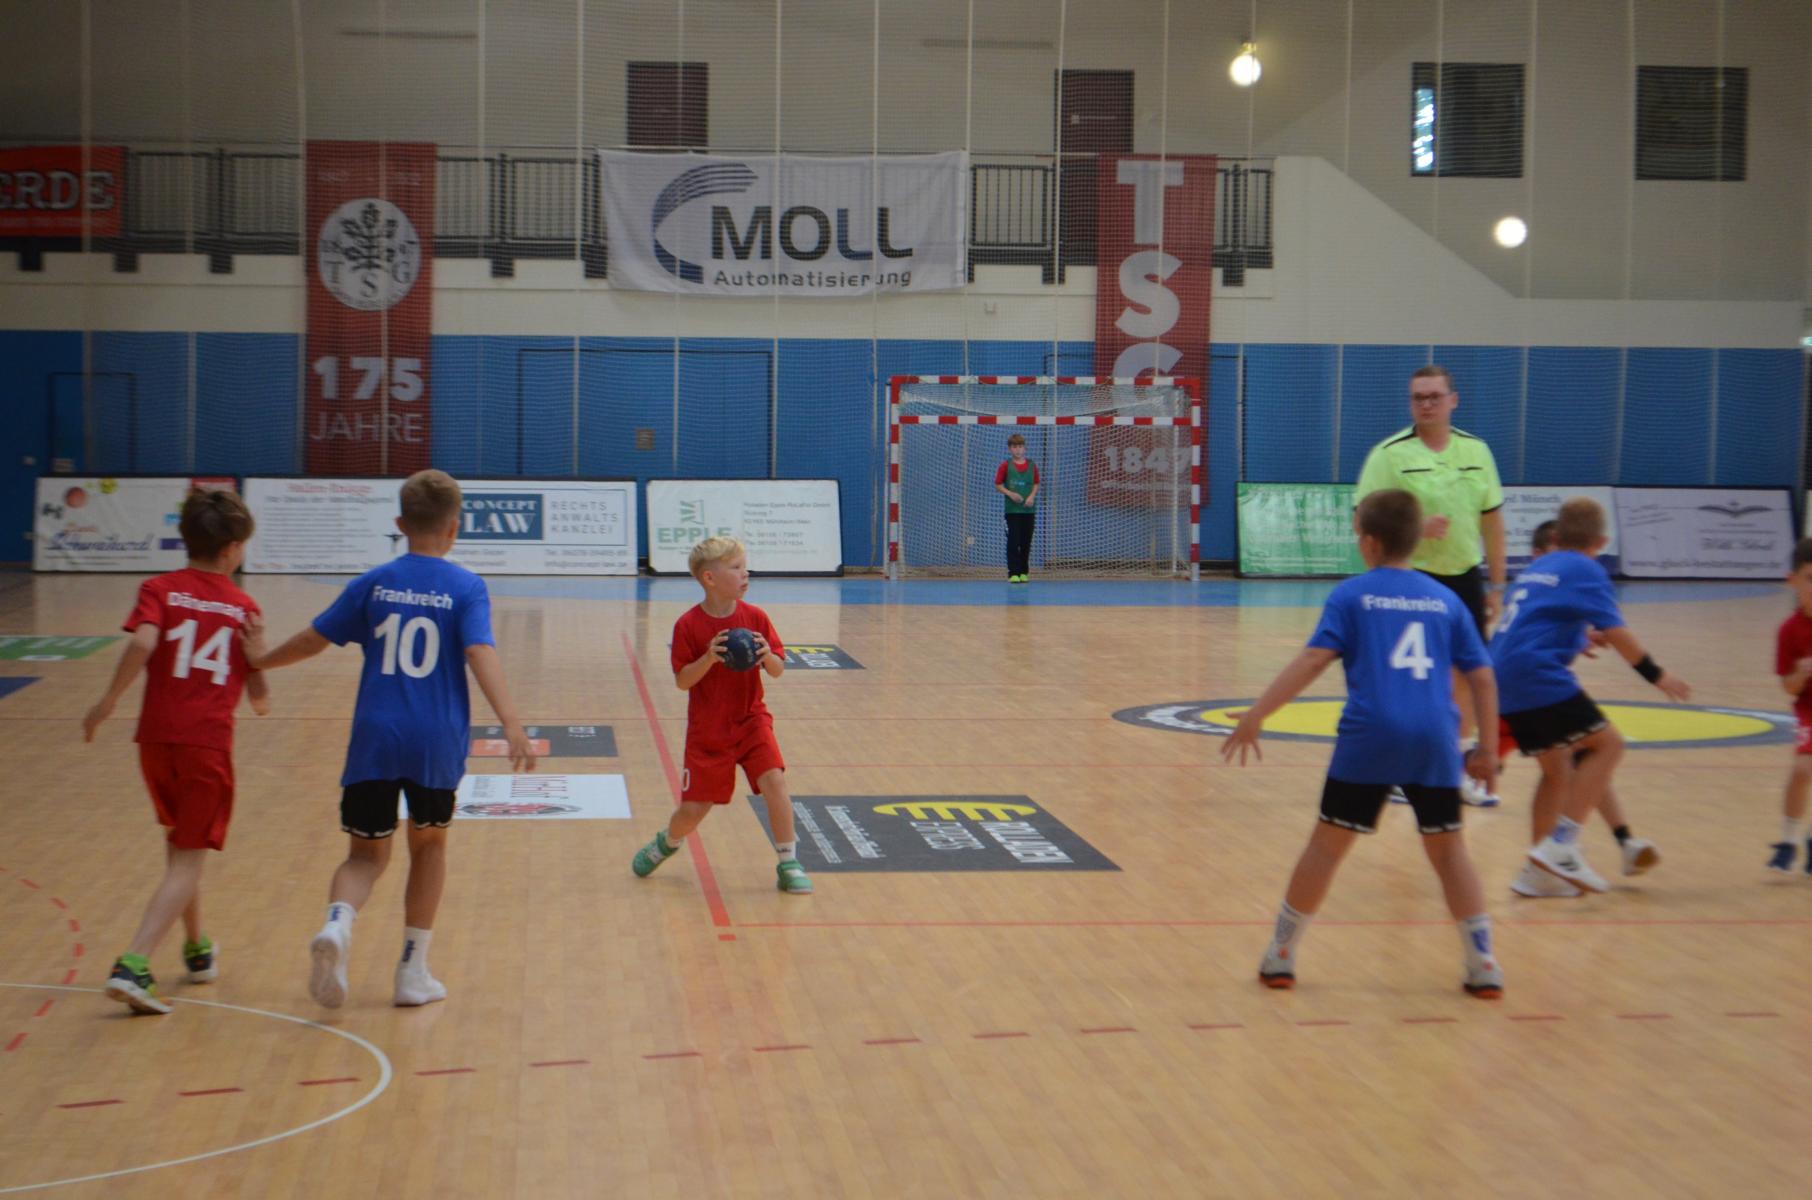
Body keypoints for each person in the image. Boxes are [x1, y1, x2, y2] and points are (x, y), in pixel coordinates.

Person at [244, 469, 535, 1008]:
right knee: (429, 847)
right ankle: (411, 973)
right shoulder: (466, 587)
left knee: (364, 856)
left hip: (375, 737)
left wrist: (260, 661)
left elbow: (312, 639)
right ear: (455, 527)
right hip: (434, 740)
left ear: (400, 524)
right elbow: (479, 651)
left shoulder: (374, 583)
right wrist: (512, 723)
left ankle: (338, 923)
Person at [1222, 489, 1504, 998]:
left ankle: (1281, 955)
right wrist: (1486, 749)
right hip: (1435, 738)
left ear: (1369, 543)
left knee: (1327, 847)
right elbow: (1482, 678)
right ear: (1417, 540)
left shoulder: (1352, 595)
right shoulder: (1445, 600)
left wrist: (1258, 714)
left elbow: (1313, 660)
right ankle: (1483, 962)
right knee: (1449, 852)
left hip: (1371, 735)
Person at [84, 488, 269, 1014]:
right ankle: (134, 965)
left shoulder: (158, 588)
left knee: (179, 848)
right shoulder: (243, 607)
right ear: (231, 549)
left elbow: (143, 643)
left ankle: (196, 949)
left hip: (155, 741)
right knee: (187, 859)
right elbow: (260, 701)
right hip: (205, 744)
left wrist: (108, 701)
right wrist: (257, 653)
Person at [1491, 498, 1689, 894]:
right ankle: (1563, 845)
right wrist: (1657, 674)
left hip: (1501, 675)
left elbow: (1536, 620)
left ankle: (1538, 874)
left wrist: (1578, 636)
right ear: (1601, 540)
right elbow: (1620, 634)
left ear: (1558, 535)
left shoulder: (1538, 567)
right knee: (1609, 745)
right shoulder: (1587, 569)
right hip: (1535, 675)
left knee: (1557, 769)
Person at [1355, 365, 1508, 806]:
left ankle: (1453, 769)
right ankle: (1400, 769)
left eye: (1434, 396)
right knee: (1409, 677)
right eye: (1418, 397)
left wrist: (1497, 586)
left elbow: (1493, 523)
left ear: (1453, 400)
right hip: (1409, 579)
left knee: (1467, 675)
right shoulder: (1389, 455)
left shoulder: (1476, 451)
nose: (1426, 404)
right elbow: (1363, 523)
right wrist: (1415, 529)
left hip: (1464, 578)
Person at [633, 536, 812, 894]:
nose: (746, 574)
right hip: (709, 731)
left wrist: (767, 655)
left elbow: (777, 670)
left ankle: (788, 862)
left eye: (745, 567)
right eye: (736, 568)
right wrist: (709, 658)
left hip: (751, 720)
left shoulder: (756, 617)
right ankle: (667, 842)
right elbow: (683, 681)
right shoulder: (688, 625)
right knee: (694, 810)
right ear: (709, 578)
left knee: (775, 781)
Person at [1767, 537, 1812, 873]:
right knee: (1802, 770)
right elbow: (1788, 687)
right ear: (1792, 580)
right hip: (1809, 707)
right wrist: (1800, 673)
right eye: (1810, 578)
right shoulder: (1789, 630)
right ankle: (1788, 841)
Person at [994, 433, 1040, 583]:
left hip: (1028, 511)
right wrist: (1010, 494)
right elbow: (998, 484)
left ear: (1024, 448)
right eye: (1014, 447)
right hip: (1012, 511)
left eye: (1020, 446)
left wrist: (1031, 496)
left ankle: (1024, 572)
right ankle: (1013, 573)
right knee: (1013, 542)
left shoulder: (1032, 465)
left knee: (1026, 542)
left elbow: (1036, 483)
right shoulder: (1005, 466)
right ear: (1010, 449)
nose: (1018, 450)